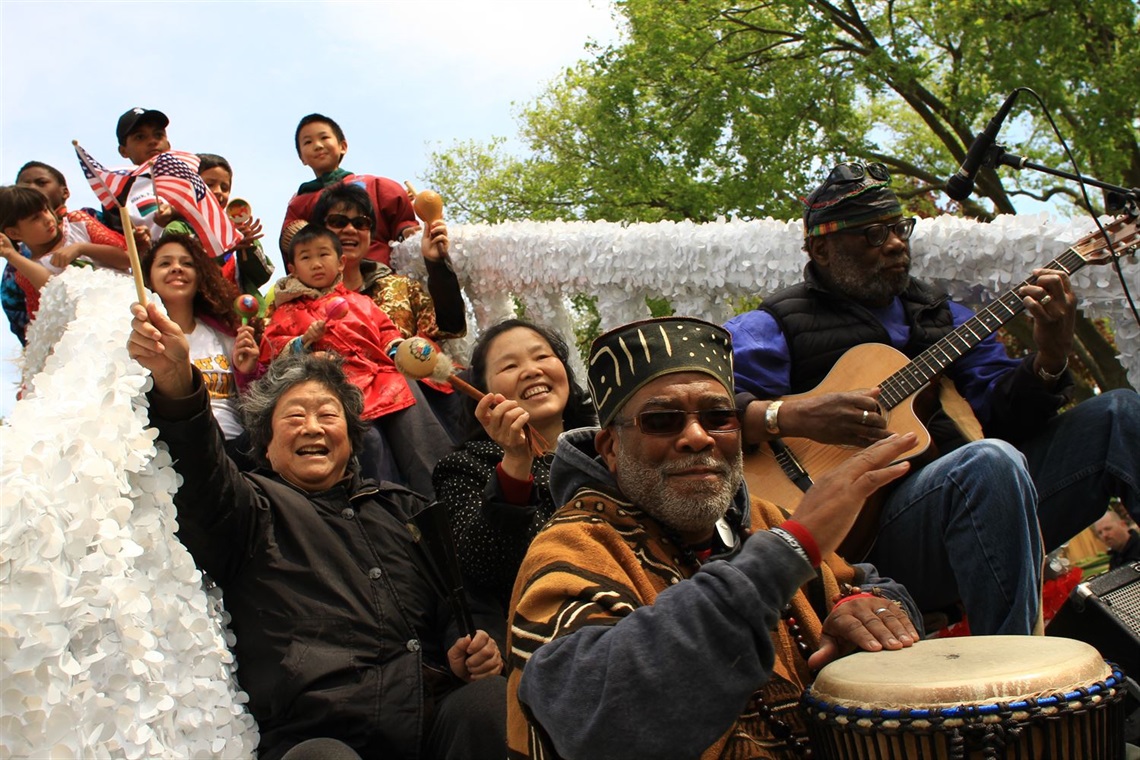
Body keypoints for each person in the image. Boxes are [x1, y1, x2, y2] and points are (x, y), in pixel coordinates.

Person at [725, 161, 1140, 635]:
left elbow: (1008, 418)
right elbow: (698, 409)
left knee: (1121, 412)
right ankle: (1017, 672)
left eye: (899, 228)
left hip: (995, 504)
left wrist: (1050, 357)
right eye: (872, 234)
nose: (897, 243)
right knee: (987, 461)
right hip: (867, 544)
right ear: (821, 248)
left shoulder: (948, 316)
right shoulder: (775, 324)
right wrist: (789, 415)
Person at [507, 316, 922, 759]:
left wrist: (867, 610)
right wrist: (791, 548)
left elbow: (873, 588)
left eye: (718, 417)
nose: (697, 436)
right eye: (662, 420)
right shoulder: (571, 548)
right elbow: (598, 722)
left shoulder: (761, 516)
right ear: (611, 448)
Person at [127, 303, 506, 760]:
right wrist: (176, 383)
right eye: (292, 418)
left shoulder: (405, 508)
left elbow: (461, 601)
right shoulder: (249, 507)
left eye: (328, 415)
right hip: (322, 733)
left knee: (488, 704)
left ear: (351, 435)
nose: (312, 427)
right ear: (264, 444)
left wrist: (469, 645)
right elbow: (202, 471)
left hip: (433, 713)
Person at [259, 224, 451, 496]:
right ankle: (387, 510)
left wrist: (399, 351)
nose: (316, 264)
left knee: (416, 425)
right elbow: (271, 351)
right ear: (292, 267)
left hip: (383, 378)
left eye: (323, 255)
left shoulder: (362, 302)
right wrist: (304, 343)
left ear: (340, 263)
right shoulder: (285, 312)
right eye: (306, 257)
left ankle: (445, 495)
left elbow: (386, 332)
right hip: (338, 390)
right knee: (371, 449)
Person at [433, 319, 596, 629]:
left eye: (542, 356)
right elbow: (484, 567)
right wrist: (516, 463)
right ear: (483, 395)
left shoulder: (606, 445)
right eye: (509, 366)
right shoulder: (463, 469)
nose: (532, 370)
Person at [310, 182, 467, 436]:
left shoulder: (399, 287)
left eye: (361, 223)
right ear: (319, 232)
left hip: (420, 409)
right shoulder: (300, 300)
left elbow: (450, 325)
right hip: (345, 416)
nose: (350, 229)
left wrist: (436, 263)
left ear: (371, 235)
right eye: (338, 221)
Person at [141, 232, 258, 468]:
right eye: (165, 263)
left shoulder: (225, 333)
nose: (176, 269)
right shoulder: (142, 338)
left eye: (187, 263)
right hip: (177, 456)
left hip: (237, 452)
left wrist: (247, 372)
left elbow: (255, 403)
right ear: (149, 278)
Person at [3, 161, 130, 343]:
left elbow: (128, 258)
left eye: (46, 210)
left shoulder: (78, 222)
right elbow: (43, 315)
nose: (47, 219)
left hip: (126, 310)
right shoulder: (24, 272)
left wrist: (81, 248)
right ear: (14, 233)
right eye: (35, 218)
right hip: (87, 339)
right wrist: (11, 254)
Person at [281, 113, 419, 266]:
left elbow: (402, 220)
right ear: (302, 158)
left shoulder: (377, 185)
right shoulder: (300, 202)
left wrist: (406, 231)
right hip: (328, 281)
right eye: (308, 142)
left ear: (343, 146)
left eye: (324, 138)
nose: (318, 145)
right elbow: (291, 245)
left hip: (383, 274)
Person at [164, 153, 275, 313]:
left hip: (244, 317)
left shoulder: (238, 229)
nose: (218, 192)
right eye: (210, 185)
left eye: (225, 187)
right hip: (201, 315)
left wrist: (248, 246)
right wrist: (226, 248)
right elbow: (182, 272)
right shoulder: (178, 229)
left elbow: (263, 275)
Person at [114, 106, 173, 238]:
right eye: (140, 137)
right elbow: (118, 241)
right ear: (123, 151)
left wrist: (177, 212)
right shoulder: (117, 190)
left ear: (168, 144)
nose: (152, 141)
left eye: (158, 135)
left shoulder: (191, 176)